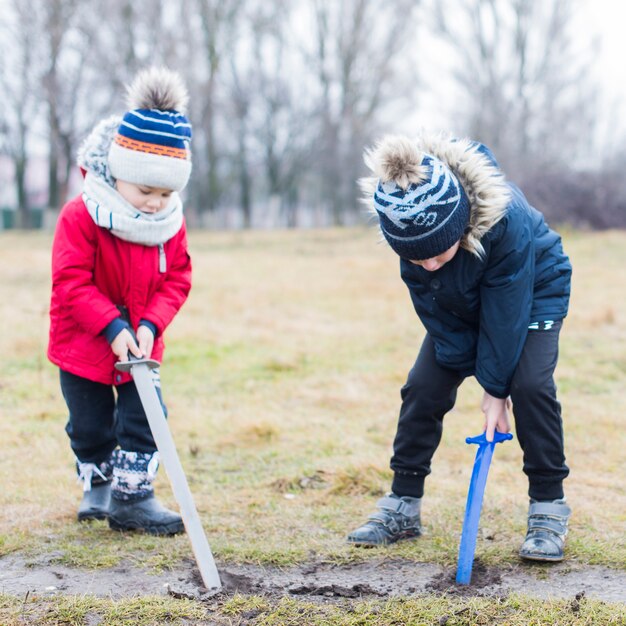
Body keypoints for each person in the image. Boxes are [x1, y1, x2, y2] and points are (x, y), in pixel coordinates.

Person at [347, 133, 572, 562]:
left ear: (460, 224)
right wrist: (455, 366)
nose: (428, 264)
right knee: (423, 388)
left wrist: (494, 390)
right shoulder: (411, 229)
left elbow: (506, 315)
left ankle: (548, 506)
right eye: (418, 259)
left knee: (530, 387)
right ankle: (402, 504)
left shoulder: (507, 220)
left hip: (534, 290)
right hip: (459, 303)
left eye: (437, 253)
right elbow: (432, 309)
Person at [48, 67, 193, 535]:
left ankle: (134, 498)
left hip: (143, 345)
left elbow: (178, 279)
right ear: (118, 175)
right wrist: (112, 327)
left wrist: (150, 325)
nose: (156, 203)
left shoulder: (168, 223)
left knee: (146, 417)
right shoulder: (82, 214)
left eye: (166, 192)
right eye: (145, 190)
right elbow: (70, 282)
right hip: (85, 342)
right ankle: (98, 482)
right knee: (89, 423)